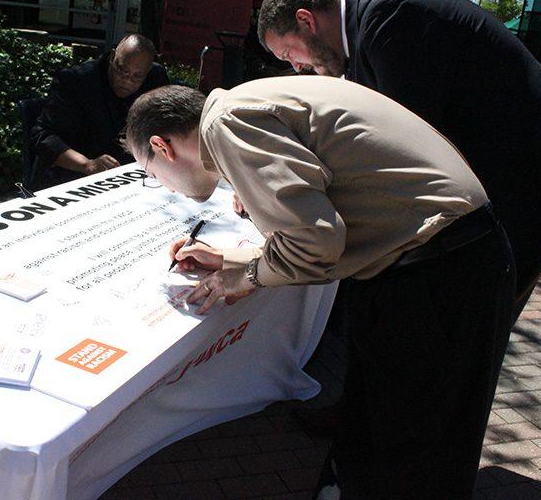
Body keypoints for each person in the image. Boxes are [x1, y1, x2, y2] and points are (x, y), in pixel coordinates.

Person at [124, 79, 515, 498]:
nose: (163, 185)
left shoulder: (226, 125)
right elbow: (314, 220)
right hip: (448, 259)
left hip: (440, 272)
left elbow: (317, 243)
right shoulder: (246, 102)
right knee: (400, 428)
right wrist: (233, 260)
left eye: (150, 174)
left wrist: (246, 278)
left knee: (411, 441)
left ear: (162, 146)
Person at [257, 0, 541, 321]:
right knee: (463, 316)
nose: (296, 67)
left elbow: (395, 146)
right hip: (503, 168)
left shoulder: (392, 17)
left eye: (289, 53)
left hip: (531, 172)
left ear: (306, 21)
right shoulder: (366, 30)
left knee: (482, 313)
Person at [30, 34, 168, 188]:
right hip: (72, 175)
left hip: (127, 174)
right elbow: (41, 136)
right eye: (122, 70)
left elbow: (164, 126)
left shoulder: (156, 78)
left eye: (137, 77)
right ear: (113, 56)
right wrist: (86, 164)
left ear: (148, 71)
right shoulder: (77, 81)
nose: (127, 80)